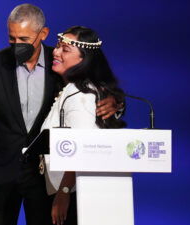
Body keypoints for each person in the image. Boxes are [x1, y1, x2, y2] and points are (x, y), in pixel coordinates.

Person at [0, 4, 121, 225]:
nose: (17, 45)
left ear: (43, 34)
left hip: (43, 177)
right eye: (12, 38)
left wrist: (115, 102)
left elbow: (92, 89)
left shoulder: (60, 65)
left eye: (24, 39)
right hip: (1, 174)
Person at [40, 26, 126, 225]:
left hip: (77, 194)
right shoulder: (72, 89)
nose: (56, 52)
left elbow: (82, 149)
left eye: (65, 50)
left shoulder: (80, 95)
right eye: (58, 46)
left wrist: (63, 193)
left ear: (83, 59)